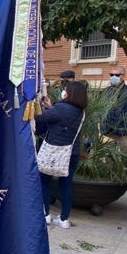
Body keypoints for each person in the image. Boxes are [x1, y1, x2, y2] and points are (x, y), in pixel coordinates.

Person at [36, 81, 88, 229]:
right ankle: (64, 219)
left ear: (70, 93)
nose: (63, 91)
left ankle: (46, 214)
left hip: (53, 152)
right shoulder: (81, 112)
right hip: (72, 153)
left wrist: (41, 107)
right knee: (66, 185)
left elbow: (40, 118)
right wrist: (51, 107)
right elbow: (61, 120)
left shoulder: (61, 108)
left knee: (43, 181)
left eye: (65, 90)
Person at [101, 66, 127, 154]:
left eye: (117, 75)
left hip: (124, 132)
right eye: (111, 75)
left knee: (126, 156)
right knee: (108, 157)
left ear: (123, 76)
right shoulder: (105, 91)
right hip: (107, 131)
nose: (114, 77)